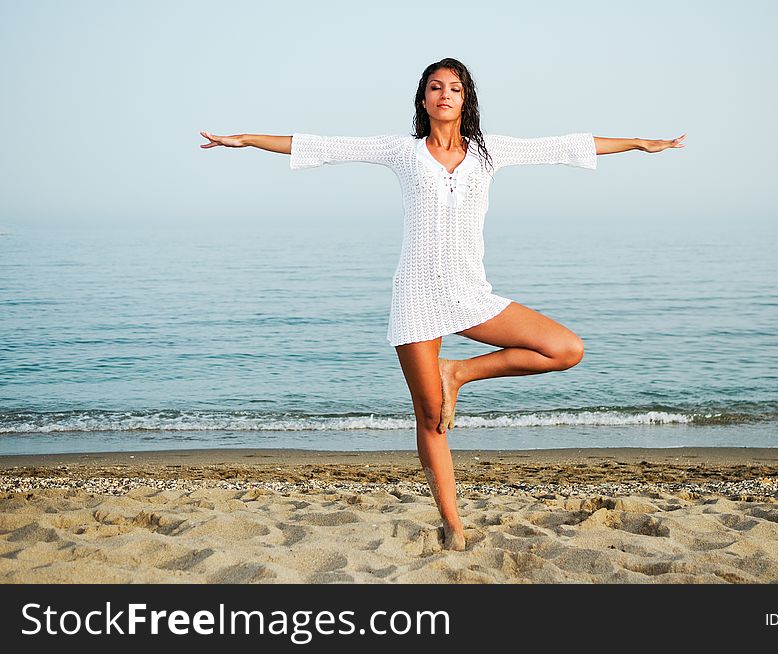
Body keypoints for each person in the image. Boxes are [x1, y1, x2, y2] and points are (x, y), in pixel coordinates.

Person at [200, 57, 686, 551]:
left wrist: (639, 144)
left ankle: (459, 373)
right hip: (415, 295)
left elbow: (564, 146)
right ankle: (454, 526)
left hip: (470, 293)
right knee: (431, 416)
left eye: (454, 87)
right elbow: (322, 146)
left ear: (465, 98)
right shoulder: (403, 152)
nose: (445, 94)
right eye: (436, 87)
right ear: (424, 99)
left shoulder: (490, 152)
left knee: (565, 349)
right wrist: (244, 140)